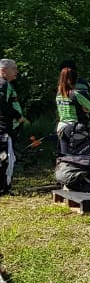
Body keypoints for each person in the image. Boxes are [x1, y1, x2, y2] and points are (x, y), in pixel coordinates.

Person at [0, 59, 29, 194]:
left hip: (6, 127)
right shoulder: (2, 84)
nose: (16, 71)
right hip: (4, 128)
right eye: (14, 69)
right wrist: (17, 116)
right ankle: (4, 188)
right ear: (3, 71)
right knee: (7, 158)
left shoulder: (7, 84)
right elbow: (2, 104)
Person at [55, 67, 90, 155]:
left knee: (64, 155)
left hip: (61, 128)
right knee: (79, 155)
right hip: (74, 128)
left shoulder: (58, 94)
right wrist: (87, 110)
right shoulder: (75, 94)